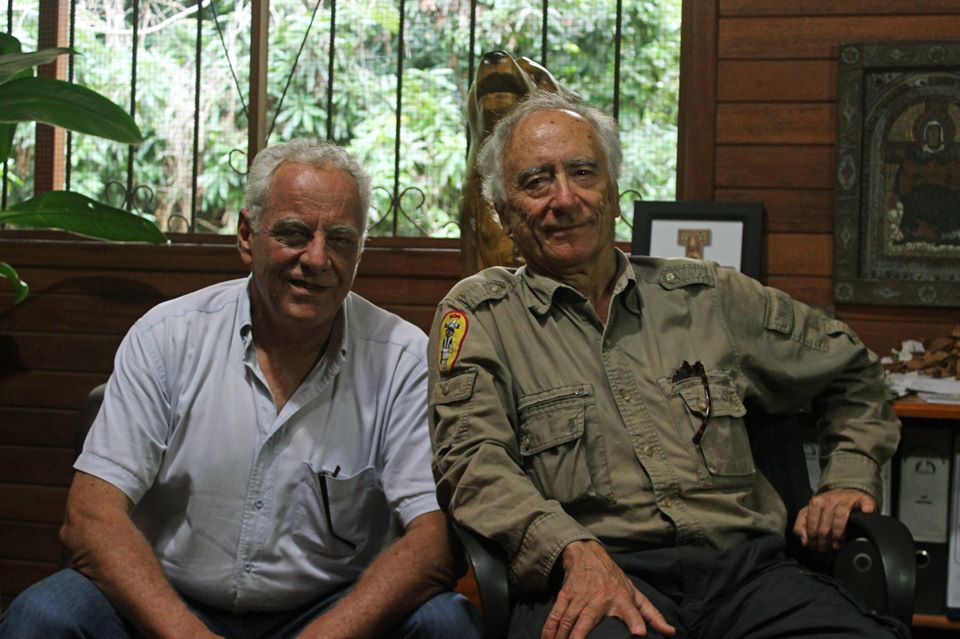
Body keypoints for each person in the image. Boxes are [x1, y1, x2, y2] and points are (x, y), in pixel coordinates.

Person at [427, 91, 907, 639]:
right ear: (504, 212)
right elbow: (471, 462)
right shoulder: (481, 315)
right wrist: (569, 549)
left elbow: (852, 368)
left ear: (612, 193)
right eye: (536, 182)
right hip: (600, 581)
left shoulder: (709, 296)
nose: (565, 198)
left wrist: (848, 475)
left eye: (583, 173)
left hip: (751, 579)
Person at [1, 139, 482, 639]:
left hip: (328, 610)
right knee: (41, 618)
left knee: (449, 624)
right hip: (165, 599)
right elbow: (90, 516)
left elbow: (431, 542)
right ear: (248, 237)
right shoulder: (167, 336)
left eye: (340, 240)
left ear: (361, 250)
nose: (317, 259)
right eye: (294, 233)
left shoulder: (401, 357)